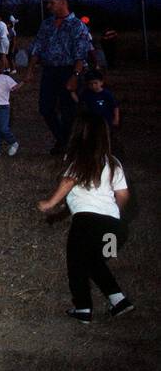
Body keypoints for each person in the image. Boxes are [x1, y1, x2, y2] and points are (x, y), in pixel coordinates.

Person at [37, 113, 133, 323]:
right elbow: (124, 195)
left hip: (87, 222)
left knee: (76, 264)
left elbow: (69, 181)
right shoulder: (114, 163)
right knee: (92, 261)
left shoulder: (79, 160)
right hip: (114, 225)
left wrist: (50, 203)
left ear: (79, 135)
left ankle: (82, 307)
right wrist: (115, 214)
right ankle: (118, 300)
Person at [25, 0, 92, 155]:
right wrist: (30, 70)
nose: (48, 6)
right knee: (45, 108)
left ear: (63, 2)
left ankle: (67, 144)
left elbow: (81, 53)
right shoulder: (47, 24)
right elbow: (37, 47)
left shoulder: (77, 25)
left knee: (68, 110)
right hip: (49, 70)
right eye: (47, 3)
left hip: (68, 70)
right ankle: (63, 140)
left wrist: (75, 76)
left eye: (51, 2)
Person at [79, 71, 120, 148]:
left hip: (106, 120)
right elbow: (80, 101)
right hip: (93, 120)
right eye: (90, 84)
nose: (93, 86)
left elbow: (115, 106)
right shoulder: (87, 93)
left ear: (101, 82)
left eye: (95, 83)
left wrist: (116, 118)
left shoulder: (107, 94)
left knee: (107, 136)